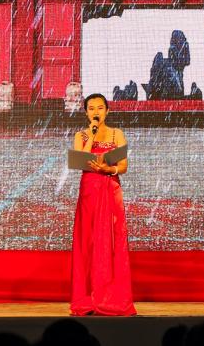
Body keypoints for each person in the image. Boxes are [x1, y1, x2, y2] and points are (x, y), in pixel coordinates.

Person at [70, 93, 137, 316]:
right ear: (86, 112)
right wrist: (92, 134)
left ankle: (112, 298)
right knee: (88, 241)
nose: (96, 112)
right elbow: (81, 160)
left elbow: (123, 165)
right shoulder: (81, 135)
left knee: (111, 240)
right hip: (89, 190)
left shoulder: (117, 134)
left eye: (100, 108)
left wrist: (110, 169)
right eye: (91, 109)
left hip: (110, 187)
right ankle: (86, 299)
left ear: (107, 111)